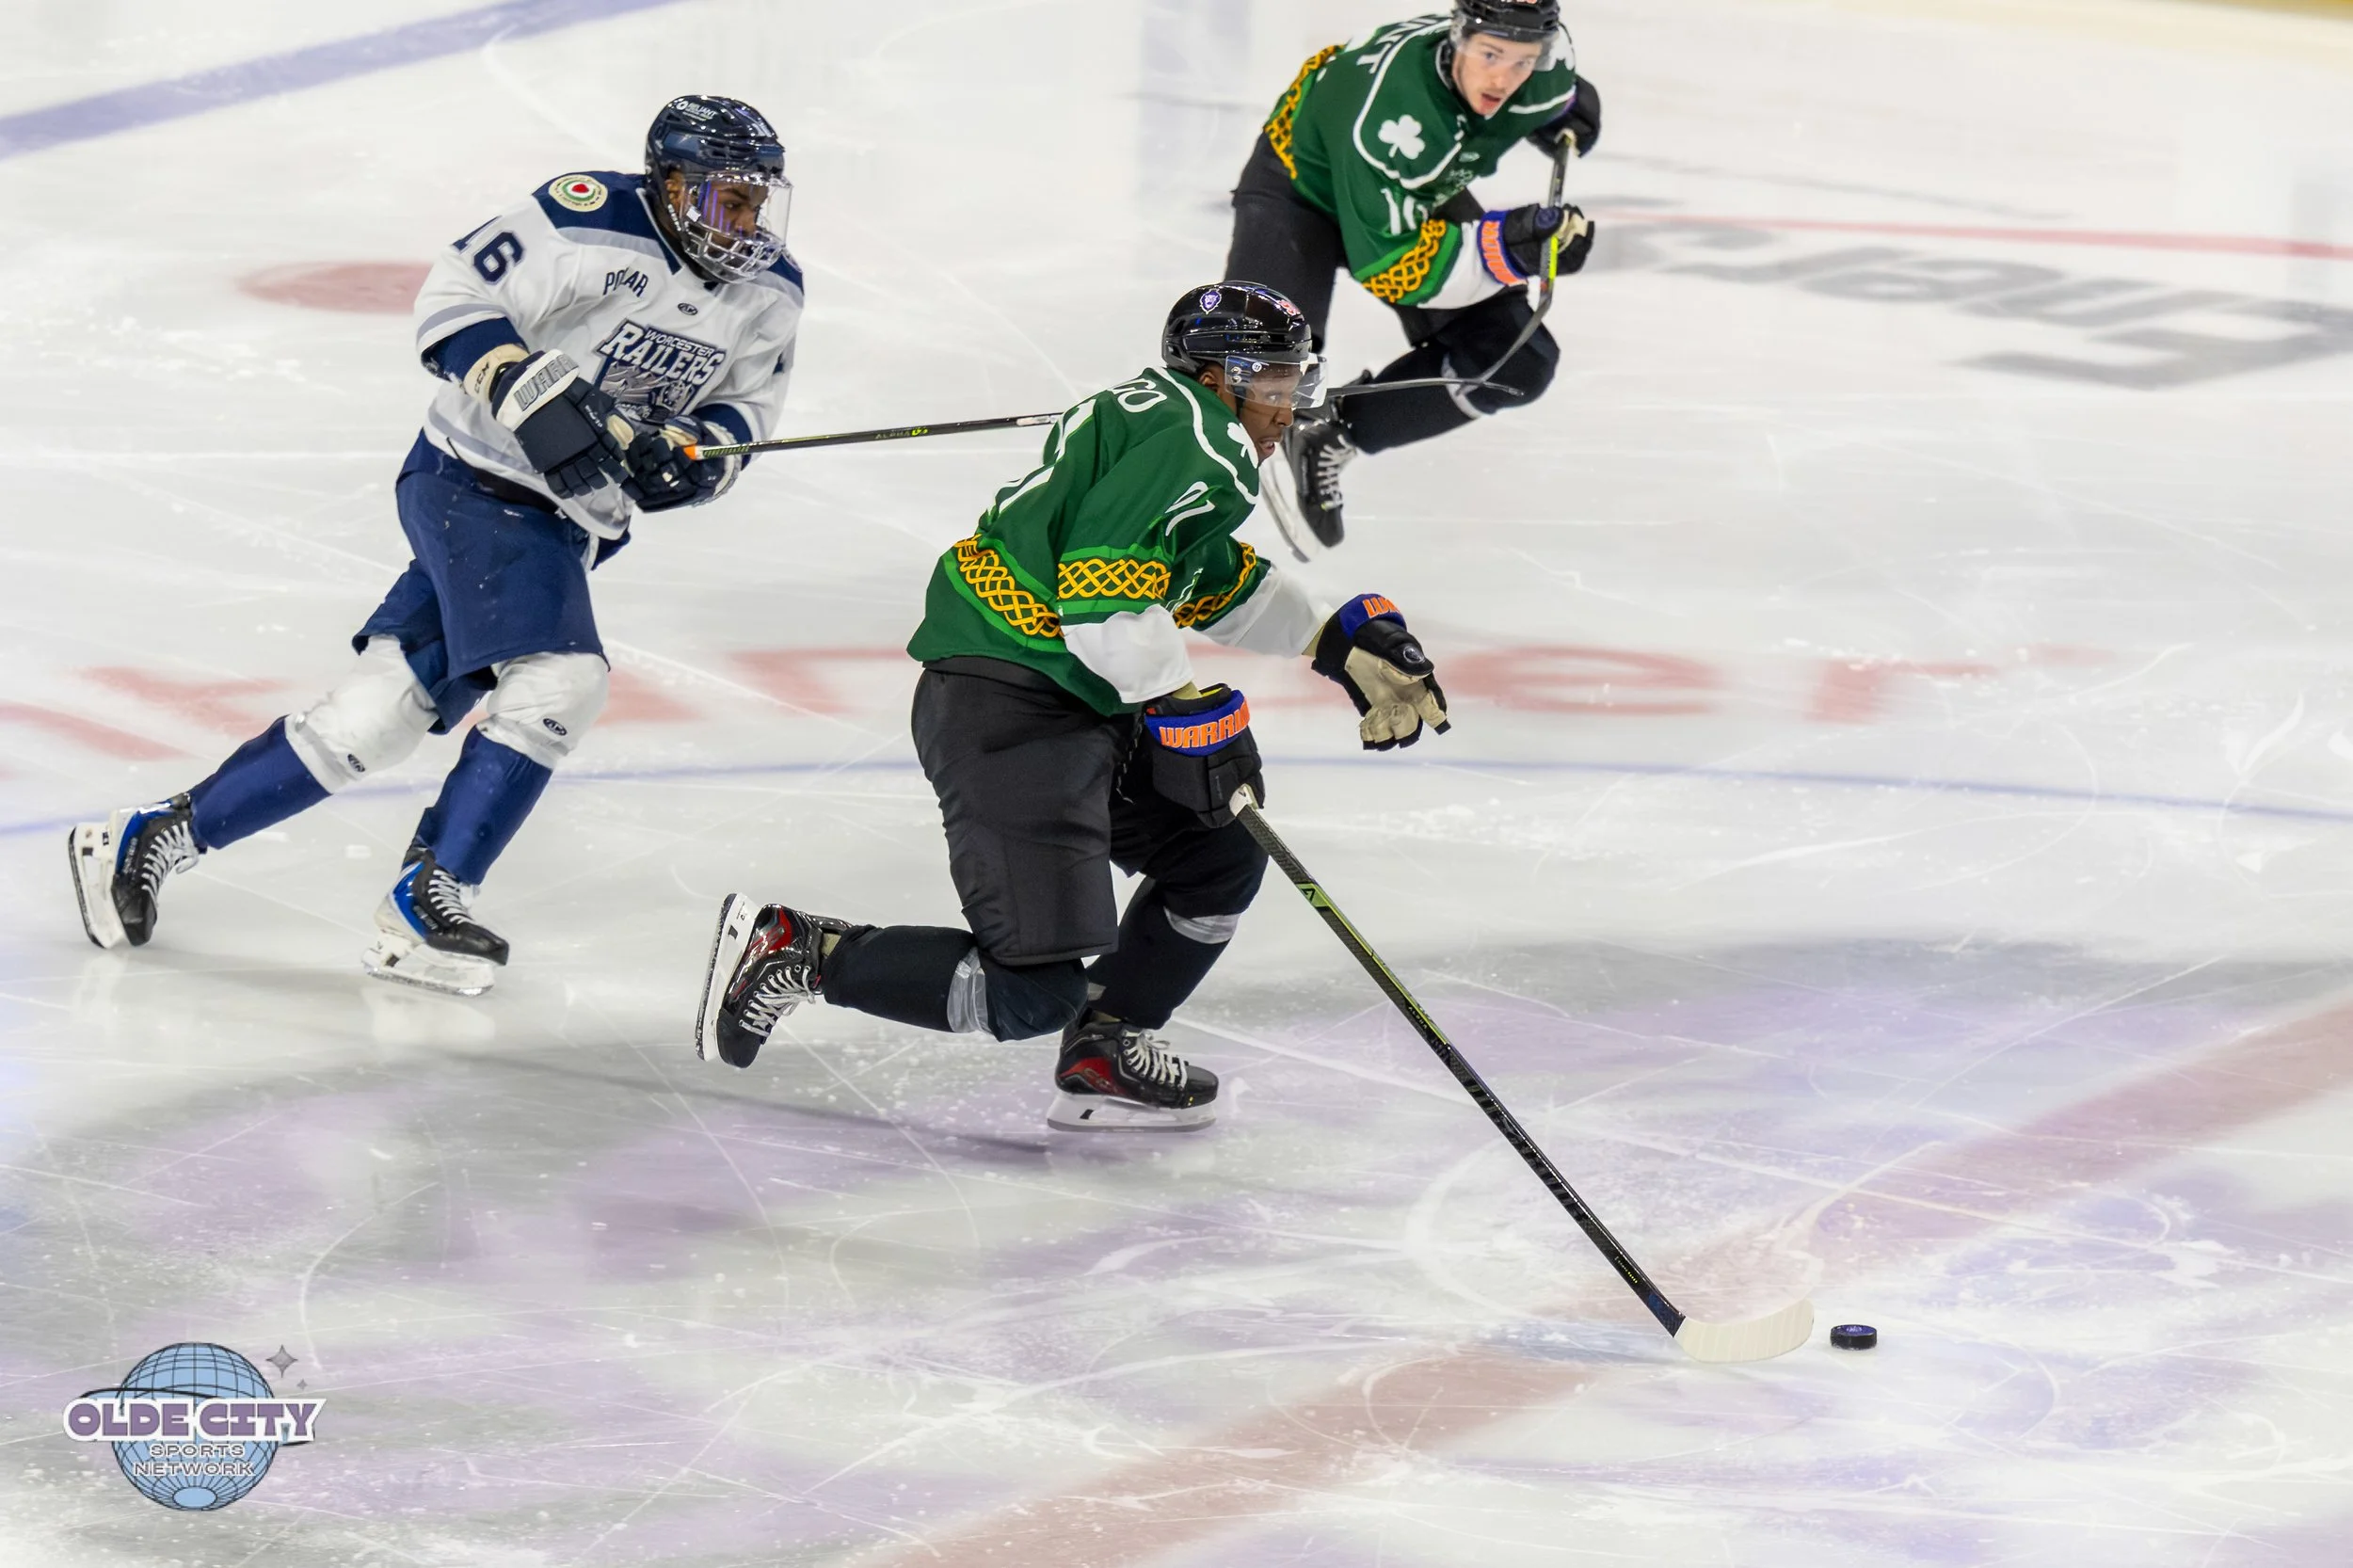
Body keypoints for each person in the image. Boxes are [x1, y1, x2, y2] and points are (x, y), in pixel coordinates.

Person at [68, 95, 805, 995]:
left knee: (374, 719)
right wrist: (529, 392)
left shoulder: (772, 292)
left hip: (572, 527)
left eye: (758, 201)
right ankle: (427, 900)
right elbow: (456, 297)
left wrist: (693, 462)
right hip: (473, 483)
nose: (748, 222)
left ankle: (149, 837)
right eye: (730, 199)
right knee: (563, 681)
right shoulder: (586, 219)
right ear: (673, 182)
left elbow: (742, 416)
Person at [695, 282, 1452, 1130]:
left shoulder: (1169, 422)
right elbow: (1100, 594)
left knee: (1219, 854)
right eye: (1272, 384)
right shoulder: (1195, 438)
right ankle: (802, 951)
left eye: (1295, 382)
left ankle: (1107, 1048)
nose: (1287, 408)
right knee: (1027, 994)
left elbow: (1196, 575)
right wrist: (1182, 708)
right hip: (1011, 708)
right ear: (1215, 376)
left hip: (1068, 696)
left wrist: (1329, 637)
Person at [1226, 0, 1602, 547]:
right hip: (1301, 187)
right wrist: (1508, 249)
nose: (1503, 78)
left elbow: (1555, 94)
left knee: (1516, 360)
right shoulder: (1387, 116)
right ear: (1457, 37)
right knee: (1253, 390)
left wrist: (1559, 118)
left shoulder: (1543, 79)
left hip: (1407, 191)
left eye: (1522, 61)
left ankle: (1336, 430)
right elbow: (1396, 267)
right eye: (1490, 54)